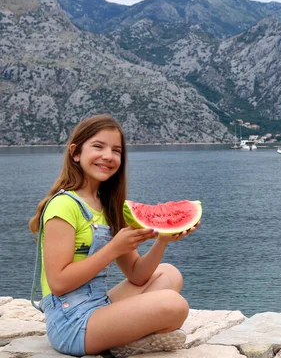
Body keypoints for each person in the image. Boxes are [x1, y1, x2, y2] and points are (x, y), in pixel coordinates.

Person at [29, 115, 197, 357]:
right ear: (75, 153)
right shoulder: (63, 206)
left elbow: (138, 276)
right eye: (98, 146)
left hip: (99, 306)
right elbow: (58, 283)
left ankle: (121, 338)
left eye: (116, 150)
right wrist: (113, 249)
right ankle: (125, 343)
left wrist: (162, 241)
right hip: (71, 323)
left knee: (170, 274)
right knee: (174, 305)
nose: (108, 156)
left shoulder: (107, 206)